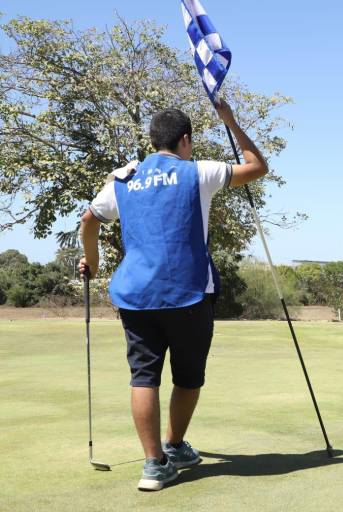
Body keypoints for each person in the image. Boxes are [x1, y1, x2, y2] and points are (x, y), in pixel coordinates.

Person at [79, 100, 267, 491]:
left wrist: (92, 262)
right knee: (188, 376)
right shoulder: (198, 172)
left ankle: (154, 464)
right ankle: (175, 445)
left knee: (144, 377)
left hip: (135, 295)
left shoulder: (123, 177)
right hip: (189, 292)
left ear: (152, 140)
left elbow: (89, 220)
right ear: (185, 140)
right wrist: (230, 121)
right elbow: (256, 166)